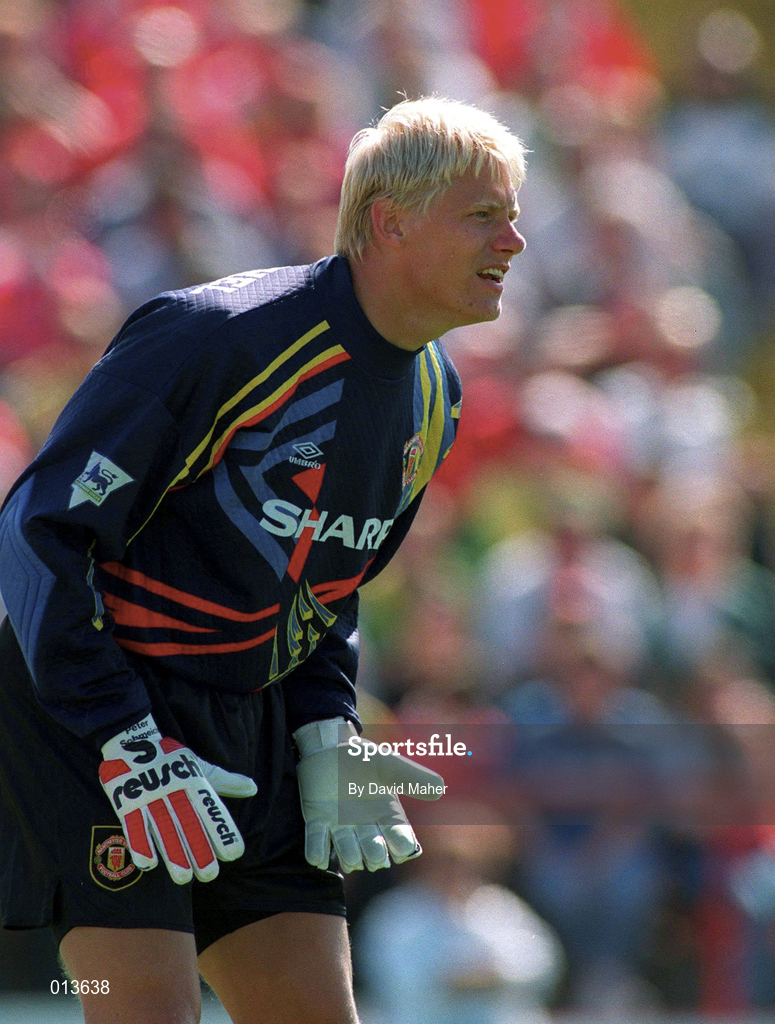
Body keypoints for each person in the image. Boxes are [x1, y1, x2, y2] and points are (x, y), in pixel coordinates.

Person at [0, 96, 527, 1024]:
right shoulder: (217, 336)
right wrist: (125, 738)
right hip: (94, 712)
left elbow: (324, 589)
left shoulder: (435, 396)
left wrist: (326, 725)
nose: (515, 241)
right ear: (388, 221)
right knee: (149, 1014)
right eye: (484, 214)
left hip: (254, 715)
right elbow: (36, 535)